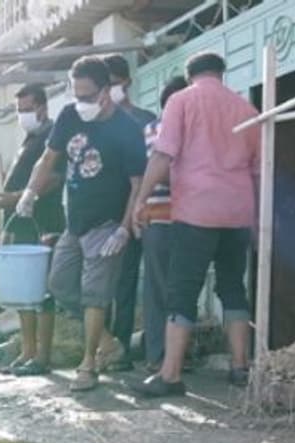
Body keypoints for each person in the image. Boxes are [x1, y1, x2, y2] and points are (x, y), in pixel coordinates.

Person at [132, 52, 261, 397]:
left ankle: (170, 373)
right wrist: (258, 219)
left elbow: (163, 154)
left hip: (196, 211)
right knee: (233, 286)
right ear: (221, 74)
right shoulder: (247, 110)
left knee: (183, 290)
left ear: (190, 77)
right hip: (238, 212)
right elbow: (258, 171)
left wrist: (141, 199)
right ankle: (240, 367)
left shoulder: (181, 101)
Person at [17, 55, 147, 393]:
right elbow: (49, 158)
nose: (82, 102)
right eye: (77, 94)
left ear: (106, 91)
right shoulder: (69, 116)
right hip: (74, 223)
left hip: (107, 224)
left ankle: (88, 364)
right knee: (59, 284)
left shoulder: (127, 129)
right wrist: (30, 191)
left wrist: (124, 227)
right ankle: (108, 340)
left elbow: (137, 184)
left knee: (95, 297)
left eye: (88, 95)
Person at [0, 84, 65, 377]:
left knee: (42, 292)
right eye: (19, 110)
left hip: (45, 219)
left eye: (27, 109)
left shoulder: (53, 136)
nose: (22, 115)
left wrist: (17, 197)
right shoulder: (31, 137)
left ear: (43, 107)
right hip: (21, 221)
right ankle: (28, 350)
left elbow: (54, 179)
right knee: (24, 290)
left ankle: (41, 356)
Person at [101, 54, 159, 372]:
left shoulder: (145, 120)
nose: (107, 91)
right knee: (113, 284)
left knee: (148, 281)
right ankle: (114, 346)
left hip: (146, 210)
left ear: (126, 82)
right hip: (111, 213)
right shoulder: (99, 122)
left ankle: (150, 351)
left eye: (112, 84)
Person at [140, 75, 190, 372]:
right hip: (165, 216)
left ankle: (165, 357)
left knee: (164, 288)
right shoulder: (156, 129)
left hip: (175, 218)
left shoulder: (166, 128)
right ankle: (161, 357)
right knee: (170, 289)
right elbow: (163, 171)